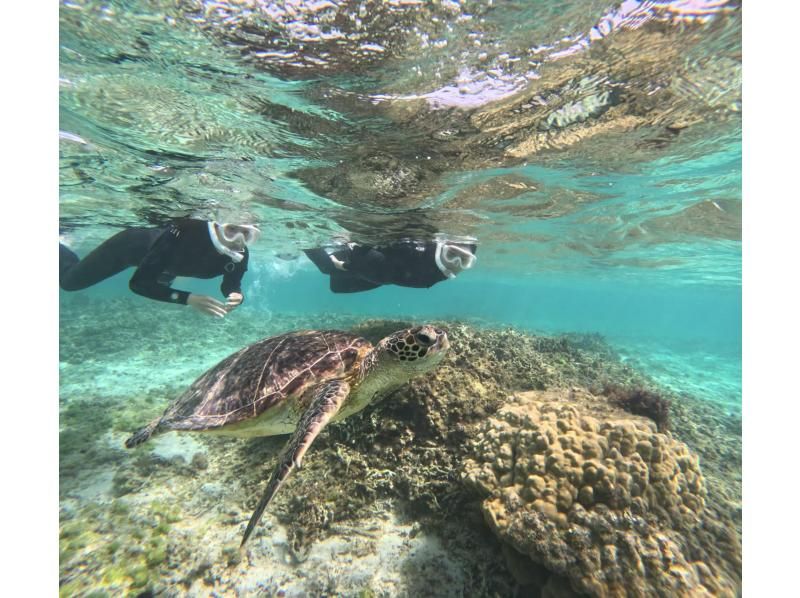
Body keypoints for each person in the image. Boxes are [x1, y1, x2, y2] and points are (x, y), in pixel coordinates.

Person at [59, 218, 260, 318]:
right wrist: (188, 299)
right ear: (216, 225)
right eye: (231, 230)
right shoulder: (186, 234)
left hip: (168, 267)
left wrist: (236, 294)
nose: (238, 240)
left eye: (247, 234)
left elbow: (231, 284)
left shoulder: (241, 254)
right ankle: (59, 242)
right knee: (69, 282)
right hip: (129, 249)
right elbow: (139, 284)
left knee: (162, 285)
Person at [304, 236, 477, 293]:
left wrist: (349, 266)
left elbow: (386, 272)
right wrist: (348, 264)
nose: (455, 263)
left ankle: (308, 241)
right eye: (451, 254)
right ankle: (306, 239)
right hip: (374, 267)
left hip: (377, 272)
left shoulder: (435, 274)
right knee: (328, 269)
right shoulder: (421, 254)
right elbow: (382, 269)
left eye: (464, 261)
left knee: (337, 286)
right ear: (440, 246)